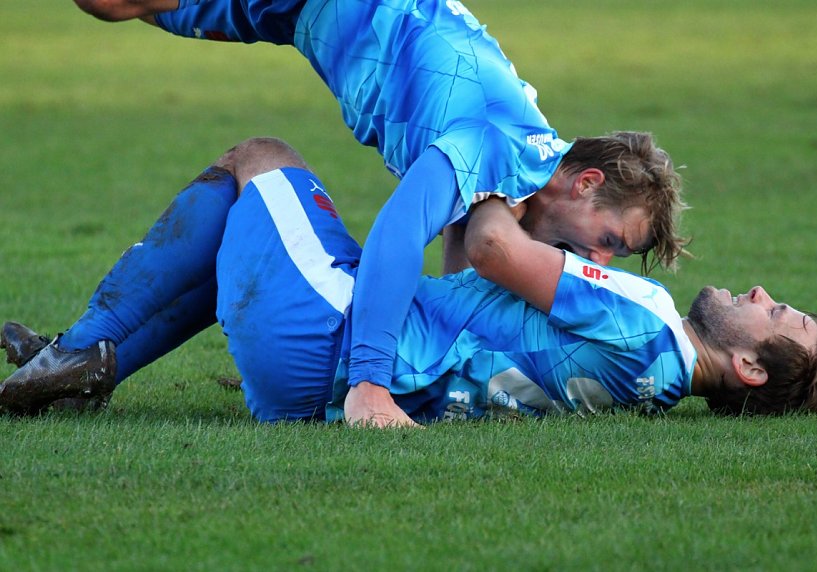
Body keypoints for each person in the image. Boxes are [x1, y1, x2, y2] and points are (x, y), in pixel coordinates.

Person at [67, 0, 688, 426]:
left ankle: (76, 359)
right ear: (585, 183)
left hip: (300, 16)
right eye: (611, 239)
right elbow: (398, 232)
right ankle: (79, 353)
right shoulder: (501, 143)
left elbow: (454, 298)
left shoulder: (511, 184)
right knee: (255, 155)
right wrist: (369, 382)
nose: (600, 261)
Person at [0, 139, 817, 420]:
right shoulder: (652, 387)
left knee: (258, 161)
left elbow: (493, 249)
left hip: (333, 337)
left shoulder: (652, 315)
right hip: (335, 381)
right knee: (248, 226)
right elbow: (473, 297)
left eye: (781, 314)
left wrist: (493, 154)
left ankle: (82, 352)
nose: (762, 293)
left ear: (749, 366)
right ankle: (84, 361)